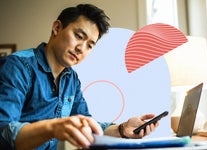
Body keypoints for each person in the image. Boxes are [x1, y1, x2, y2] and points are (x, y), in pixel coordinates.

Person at [0, 4, 158, 150]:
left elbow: (87, 124)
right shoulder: (18, 66)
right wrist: (53, 127)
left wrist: (123, 129)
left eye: (90, 45)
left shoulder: (71, 79)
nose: (81, 48)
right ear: (57, 28)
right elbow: (3, 130)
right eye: (79, 36)